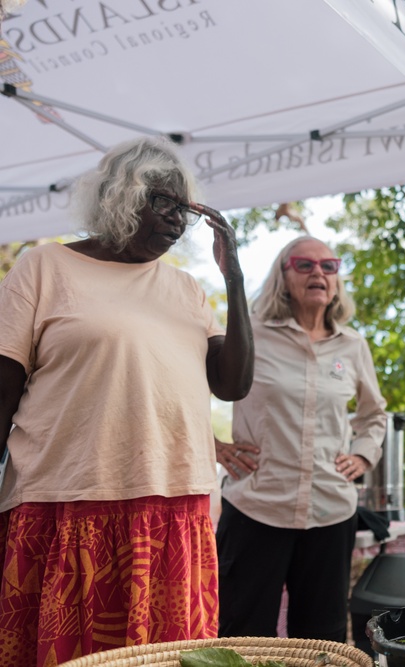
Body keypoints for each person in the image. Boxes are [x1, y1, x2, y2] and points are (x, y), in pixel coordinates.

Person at [0, 136, 253, 667]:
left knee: (166, 658)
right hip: (65, 501)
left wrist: (234, 278)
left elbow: (232, 384)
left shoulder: (186, 289)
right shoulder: (43, 267)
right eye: (163, 202)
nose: (177, 220)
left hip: (173, 506)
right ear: (120, 195)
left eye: (184, 210)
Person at [213, 235, 387, 642]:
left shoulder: (353, 345)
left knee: (321, 643)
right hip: (256, 506)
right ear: (282, 275)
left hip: (330, 512)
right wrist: (213, 446)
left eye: (329, 266)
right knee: (242, 640)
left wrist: (362, 455)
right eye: (304, 265)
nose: (319, 274)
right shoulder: (249, 333)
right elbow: (186, 388)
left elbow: (373, 414)